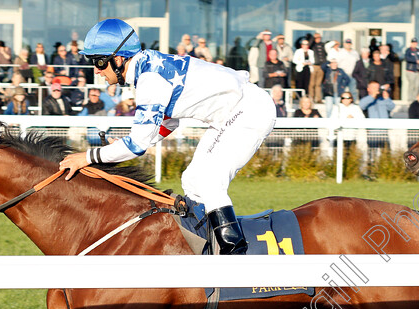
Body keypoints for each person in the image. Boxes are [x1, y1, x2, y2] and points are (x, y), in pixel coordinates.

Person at [58, 19, 276, 256]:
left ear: (118, 59)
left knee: (209, 181)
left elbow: (137, 145)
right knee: (192, 180)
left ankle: (234, 253)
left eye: (98, 61)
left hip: (248, 110)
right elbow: (169, 122)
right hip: (230, 115)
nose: (97, 70)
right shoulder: (146, 67)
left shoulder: (150, 80)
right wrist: (123, 146)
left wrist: (87, 157)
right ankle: (205, 248)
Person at [403, 38, 419, 103]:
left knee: (417, 85)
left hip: (417, 70)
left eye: (415, 43)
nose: (414, 44)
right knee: (411, 85)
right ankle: (410, 99)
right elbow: (407, 58)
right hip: (410, 71)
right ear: (411, 43)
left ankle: (415, 98)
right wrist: (415, 61)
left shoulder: (418, 50)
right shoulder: (408, 50)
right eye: (413, 43)